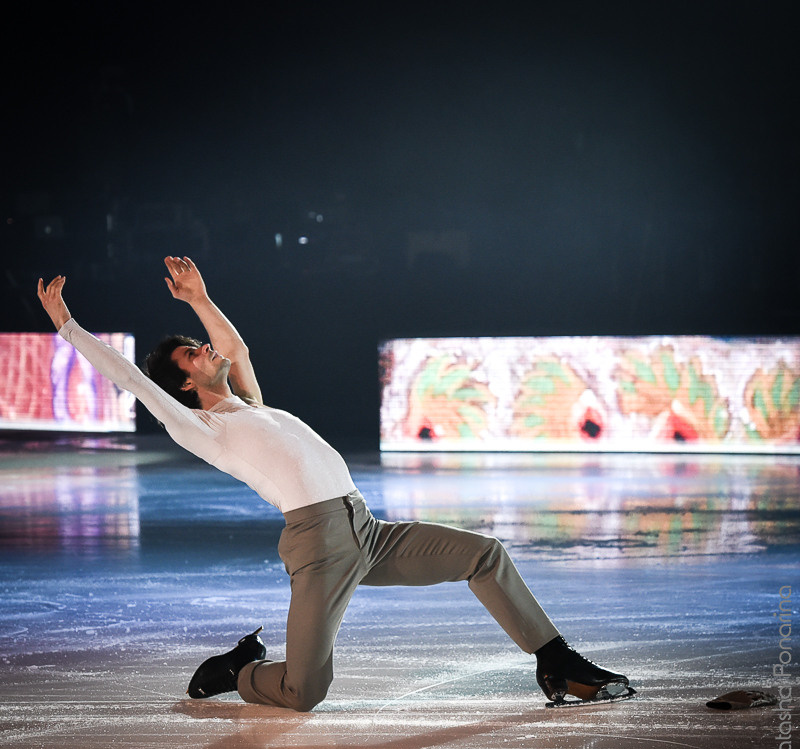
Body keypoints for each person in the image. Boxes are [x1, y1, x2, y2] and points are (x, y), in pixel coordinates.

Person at [37, 257, 635, 711]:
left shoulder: (252, 407)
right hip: (318, 546)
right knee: (304, 692)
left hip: (366, 530)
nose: (206, 350)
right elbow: (134, 382)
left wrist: (200, 298)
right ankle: (239, 672)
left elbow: (237, 346)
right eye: (193, 354)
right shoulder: (200, 428)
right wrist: (68, 326)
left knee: (484, 555)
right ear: (185, 386)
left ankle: (557, 664)